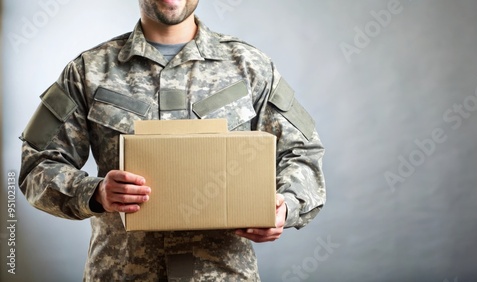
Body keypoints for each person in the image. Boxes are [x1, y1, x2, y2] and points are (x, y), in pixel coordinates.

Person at [19, 0, 326, 280]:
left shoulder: (250, 66)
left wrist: (285, 207)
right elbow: (37, 164)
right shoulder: (88, 70)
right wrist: (96, 192)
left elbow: (303, 151)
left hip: (222, 274)